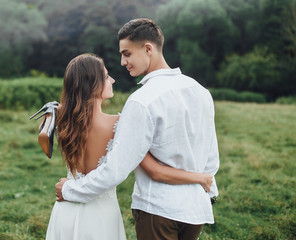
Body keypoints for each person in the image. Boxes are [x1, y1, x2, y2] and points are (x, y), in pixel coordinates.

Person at [55, 18, 220, 240]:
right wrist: (206, 186)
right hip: (195, 212)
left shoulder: (142, 100)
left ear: (148, 49)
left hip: (158, 210)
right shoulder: (201, 92)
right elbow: (211, 160)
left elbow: (116, 169)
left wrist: (68, 190)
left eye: (127, 54)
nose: (123, 62)